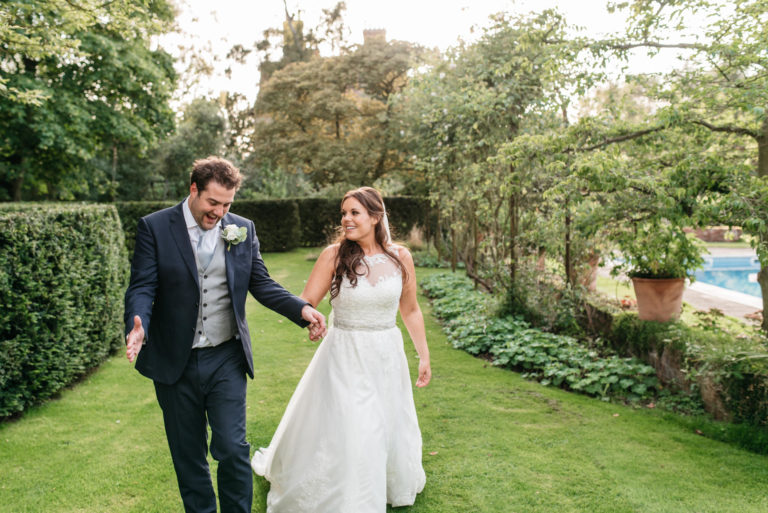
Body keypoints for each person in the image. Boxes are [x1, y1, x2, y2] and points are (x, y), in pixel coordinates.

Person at [123, 156, 326, 513]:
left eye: (227, 204)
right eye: (213, 202)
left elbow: (260, 283)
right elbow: (142, 286)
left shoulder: (242, 228)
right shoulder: (155, 227)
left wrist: (301, 309)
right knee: (188, 454)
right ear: (193, 190)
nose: (219, 212)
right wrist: (138, 324)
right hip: (175, 360)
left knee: (233, 448)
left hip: (225, 357)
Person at [251, 186, 431, 512]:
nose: (346, 219)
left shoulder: (400, 257)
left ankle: (383, 483)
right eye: (343, 213)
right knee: (357, 422)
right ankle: (353, 496)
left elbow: (411, 309)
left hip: (386, 354)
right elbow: (307, 303)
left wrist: (423, 355)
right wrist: (313, 321)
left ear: (376, 217)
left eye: (354, 213)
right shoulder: (333, 256)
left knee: (386, 421)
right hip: (345, 354)